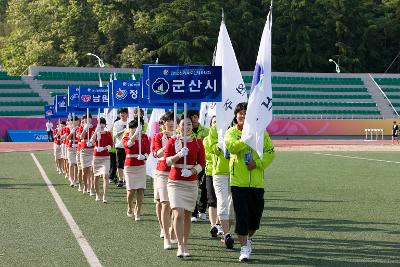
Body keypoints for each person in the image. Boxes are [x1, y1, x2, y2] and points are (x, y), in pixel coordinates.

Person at [224, 102, 275, 262]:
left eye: (247, 114)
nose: (244, 116)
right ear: (236, 115)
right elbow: (232, 147)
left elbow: (270, 152)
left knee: (255, 221)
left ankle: (248, 239)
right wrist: (246, 139)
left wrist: (258, 163)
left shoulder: (261, 133)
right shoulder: (231, 132)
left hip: (257, 183)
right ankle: (244, 248)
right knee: (242, 218)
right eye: (241, 113)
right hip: (238, 183)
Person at [164, 115, 206, 257]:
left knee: (187, 215)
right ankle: (180, 246)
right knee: (178, 213)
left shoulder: (198, 142)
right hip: (175, 181)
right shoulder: (173, 141)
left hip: (191, 182)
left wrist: (193, 171)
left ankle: (185, 244)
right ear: (178, 126)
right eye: (183, 124)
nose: (186, 127)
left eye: (188, 124)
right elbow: (167, 162)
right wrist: (179, 154)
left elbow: (202, 163)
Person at [209, 117, 235, 249]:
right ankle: (226, 235)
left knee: (232, 205)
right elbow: (211, 147)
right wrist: (221, 146)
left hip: (236, 171)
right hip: (220, 172)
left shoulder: (237, 126)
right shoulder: (215, 128)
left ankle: (222, 228)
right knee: (223, 202)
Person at [152, 111, 176, 249]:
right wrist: (167, 143)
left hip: (176, 171)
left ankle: (172, 228)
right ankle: (165, 231)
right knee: (163, 203)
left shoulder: (179, 136)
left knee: (174, 206)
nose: (171, 123)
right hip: (162, 171)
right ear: (164, 123)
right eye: (168, 121)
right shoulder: (158, 136)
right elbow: (156, 154)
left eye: (173, 120)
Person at [122, 118, 150, 221]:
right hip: (130, 166)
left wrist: (144, 156)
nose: (135, 129)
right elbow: (128, 145)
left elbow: (148, 149)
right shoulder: (126, 137)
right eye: (132, 127)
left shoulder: (144, 137)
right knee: (131, 190)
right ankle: (130, 206)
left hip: (141, 165)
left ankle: (138, 211)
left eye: (137, 127)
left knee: (141, 190)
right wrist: (134, 135)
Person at [187, 110, 209, 223]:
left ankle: (202, 210)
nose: (194, 119)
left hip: (203, 162)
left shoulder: (205, 130)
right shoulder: (185, 131)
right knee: (193, 187)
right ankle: (194, 212)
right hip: (190, 163)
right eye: (192, 117)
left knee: (205, 186)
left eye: (196, 117)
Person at [203, 116, 222, 238]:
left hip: (223, 173)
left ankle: (218, 224)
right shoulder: (206, 140)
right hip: (210, 172)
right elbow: (208, 155)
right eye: (214, 122)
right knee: (212, 201)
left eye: (217, 122)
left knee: (222, 201)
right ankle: (213, 226)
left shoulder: (225, 137)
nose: (215, 124)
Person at [91, 117, 113, 203]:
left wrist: (103, 148)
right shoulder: (95, 132)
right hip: (96, 157)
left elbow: (111, 146)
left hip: (105, 157)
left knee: (105, 175)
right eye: (100, 123)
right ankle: (97, 194)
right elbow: (91, 142)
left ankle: (105, 195)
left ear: (105, 125)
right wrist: (96, 133)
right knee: (96, 176)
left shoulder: (108, 134)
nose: (101, 125)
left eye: (103, 123)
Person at [79, 113, 95, 195]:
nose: (86, 120)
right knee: (84, 171)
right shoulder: (82, 127)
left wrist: (91, 141)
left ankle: (91, 188)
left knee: (91, 170)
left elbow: (96, 138)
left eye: (88, 118)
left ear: (91, 119)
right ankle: (85, 186)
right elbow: (81, 137)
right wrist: (85, 129)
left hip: (92, 150)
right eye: (85, 118)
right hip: (84, 151)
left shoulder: (95, 127)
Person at [113, 108, 129, 187]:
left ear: (127, 114)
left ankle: (126, 180)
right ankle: (120, 179)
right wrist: (124, 130)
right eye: (121, 113)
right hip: (119, 146)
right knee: (119, 163)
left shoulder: (130, 122)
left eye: (124, 113)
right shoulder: (117, 123)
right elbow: (116, 135)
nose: (122, 114)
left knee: (127, 163)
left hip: (128, 146)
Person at [66, 116, 80, 187]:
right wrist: (71, 132)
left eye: (76, 120)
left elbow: (80, 138)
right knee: (71, 164)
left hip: (78, 147)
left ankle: (76, 179)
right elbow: (67, 139)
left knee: (77, 164)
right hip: (71, 147)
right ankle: (71, 180)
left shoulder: (80, 128)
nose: (74, 122)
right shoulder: (68, 128)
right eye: (72, 121)